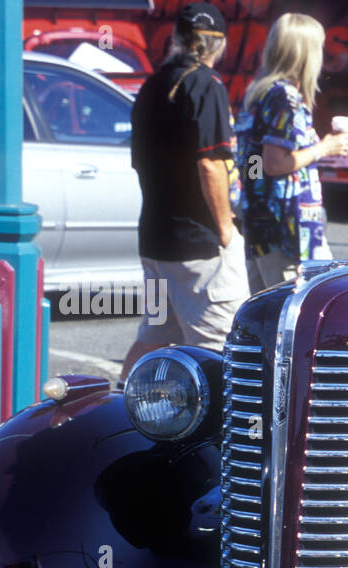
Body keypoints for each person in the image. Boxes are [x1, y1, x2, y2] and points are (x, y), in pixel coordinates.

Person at [122, 2, 248, 377]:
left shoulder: (152, 84)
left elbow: (139, 161)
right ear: (219, 44)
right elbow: (210, 163)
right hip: (199, 246)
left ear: (176, 38)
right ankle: (220, 434)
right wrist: (225, 231)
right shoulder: (205, 85)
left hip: (157, 241)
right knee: (223, 349)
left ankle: (118, 409)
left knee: (155, 337)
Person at [235, 13, 348, 293]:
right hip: (287, 230)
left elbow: (256, 163)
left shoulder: (259, 91)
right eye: (319, 47)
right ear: (305, 53)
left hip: (263, 223)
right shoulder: (283, 97)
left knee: (266, 317)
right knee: (294, 317)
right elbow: (275, 163)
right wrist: (324, 148)